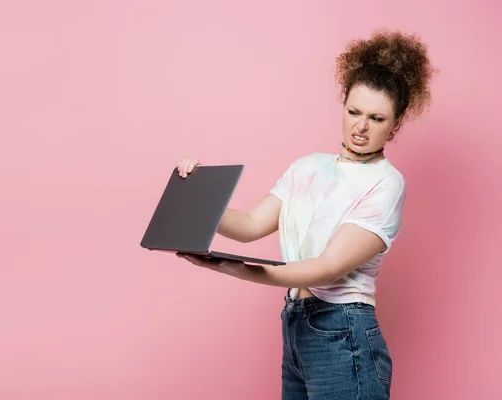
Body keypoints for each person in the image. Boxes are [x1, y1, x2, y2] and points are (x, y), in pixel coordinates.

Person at [175, 29, 435, 399]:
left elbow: (328, 267)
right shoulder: (307, 167)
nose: (361, 126)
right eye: (353, 111)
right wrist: (197, 194)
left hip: (343, 329)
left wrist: (235, 269)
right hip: (296, 323)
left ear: (395, 124)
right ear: (342, 105)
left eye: (376, 118)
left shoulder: (386, 183)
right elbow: (250, 225)